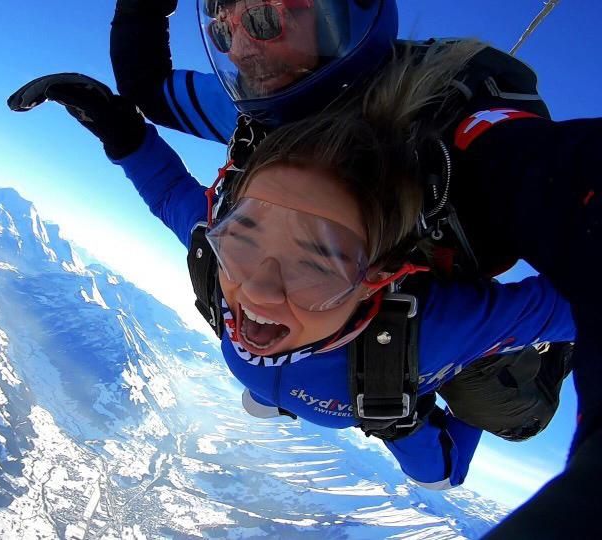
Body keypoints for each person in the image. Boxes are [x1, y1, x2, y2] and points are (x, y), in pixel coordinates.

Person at [109, 2, 602, 534]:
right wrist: (123, 131)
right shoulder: (263, 104)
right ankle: (286, 385)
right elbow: (155, 108)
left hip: (401, 361)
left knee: (490, 410)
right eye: (222, 31)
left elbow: (559, 202)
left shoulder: (468, 158)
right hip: (331, 366)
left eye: (263, 19)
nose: (242, 50)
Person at [7, 57, 575, 493]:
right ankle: (282, 389)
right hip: (315, 385)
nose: (254, 288)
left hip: (403, 383)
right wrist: (115, 125)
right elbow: (169, 194)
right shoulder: (219, 258)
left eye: (315, 266)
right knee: (265, 386)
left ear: (378, 277)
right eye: (242, 239)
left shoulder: (438, 331)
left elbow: (573, 304)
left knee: (448, 463)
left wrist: (411, 413)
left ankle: (516, 379)